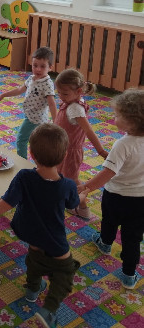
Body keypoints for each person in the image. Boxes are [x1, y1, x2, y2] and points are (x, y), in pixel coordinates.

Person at [0, 124, 81, 328]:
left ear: (31, 153)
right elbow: (73, 204)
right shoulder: (67, 185)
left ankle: (33, 289)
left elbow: (7, 202)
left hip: (28, 231)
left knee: (35, 256)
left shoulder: (24, 176)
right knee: (66, 271)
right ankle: (49, 309)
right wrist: (82, 196)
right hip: (54, 240)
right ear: (64, 156)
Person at [78, 89, 144, 289]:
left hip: (116, 196)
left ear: (131, 122)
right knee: (133, 238)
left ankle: (105, 243)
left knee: (109, 220)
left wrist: (86, 187)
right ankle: (129, 275)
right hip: (140, 201)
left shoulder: (123, 145)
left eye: (117, 115)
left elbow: (108, 172)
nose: (113, 118)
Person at [54, 68, 108, 220]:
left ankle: (83, 208)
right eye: (59, 92)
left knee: (73, 180)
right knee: (61, 176)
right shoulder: (70, 101)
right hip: (62, 148)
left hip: (71, 152)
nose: (61, 96)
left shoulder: (75, 108)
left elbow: (89, 131)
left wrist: (101, 151)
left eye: (64, 93)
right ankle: (66, 201)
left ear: (78, 91)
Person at [0, 46, 57, 159]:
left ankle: (23, 162)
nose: (38, 69)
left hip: (35, 119)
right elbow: (19, 90)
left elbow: (52, 104)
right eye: (35, 65)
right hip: (30, 115)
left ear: (50, 67)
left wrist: (56, 121)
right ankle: (40, 161)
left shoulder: (47, 84)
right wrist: (3, 95)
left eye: (42, 66)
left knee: (21, 140)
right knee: (36, 142)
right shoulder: (31, 78)